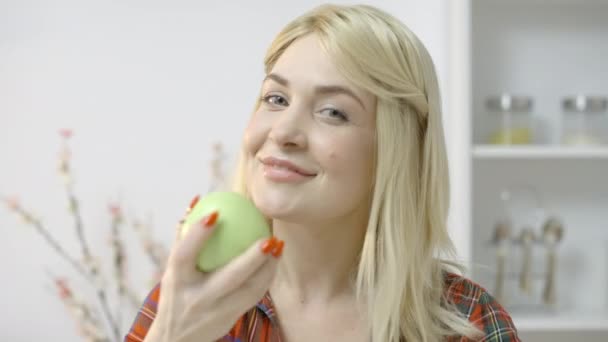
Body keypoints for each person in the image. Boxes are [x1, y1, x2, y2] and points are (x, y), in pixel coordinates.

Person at [125, 4, 520, 342]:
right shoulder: (193, 302)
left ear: (394, 150)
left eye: (332, 111)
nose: (282, 132)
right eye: (276, 99)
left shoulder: (470, 323)